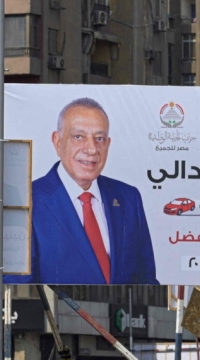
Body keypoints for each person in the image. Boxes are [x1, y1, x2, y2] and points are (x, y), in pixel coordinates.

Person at [9, 97, 158, 285]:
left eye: (99, 139)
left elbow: (146, 280)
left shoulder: (128, 198)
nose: (91, 149)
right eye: (78, 137)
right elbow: (17, 288)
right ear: (57, 141)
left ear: (108, 144)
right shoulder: (26, 202)